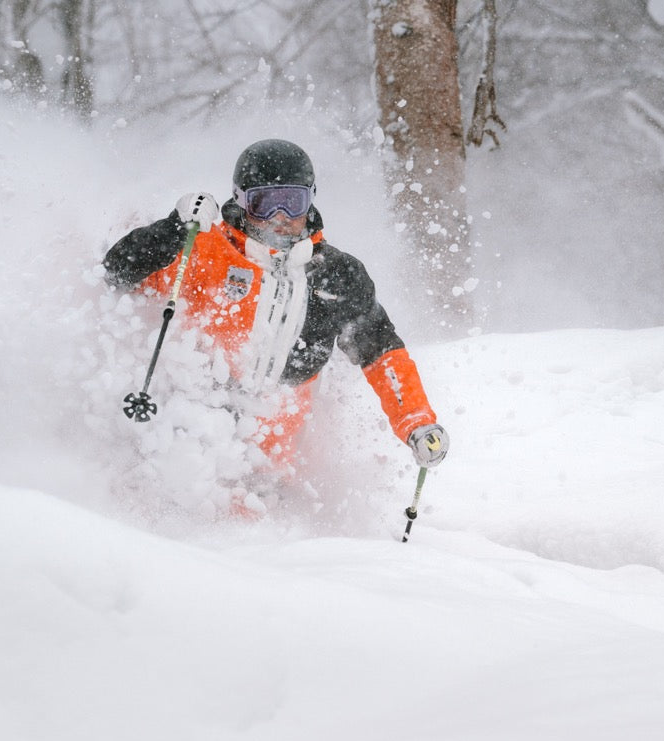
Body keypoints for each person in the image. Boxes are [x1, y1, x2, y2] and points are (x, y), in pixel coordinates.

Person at [102, 138, 449, 485]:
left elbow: (382, 353)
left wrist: (417, 421)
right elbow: (118, 273)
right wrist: (172, 231)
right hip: (189, 427)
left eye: (293, 203)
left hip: (271, 450)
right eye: (265, 203)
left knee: (252, 520)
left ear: (310, 202)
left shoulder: (337, 275)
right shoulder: (205, 248)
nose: (280, 218)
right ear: (242, 202)